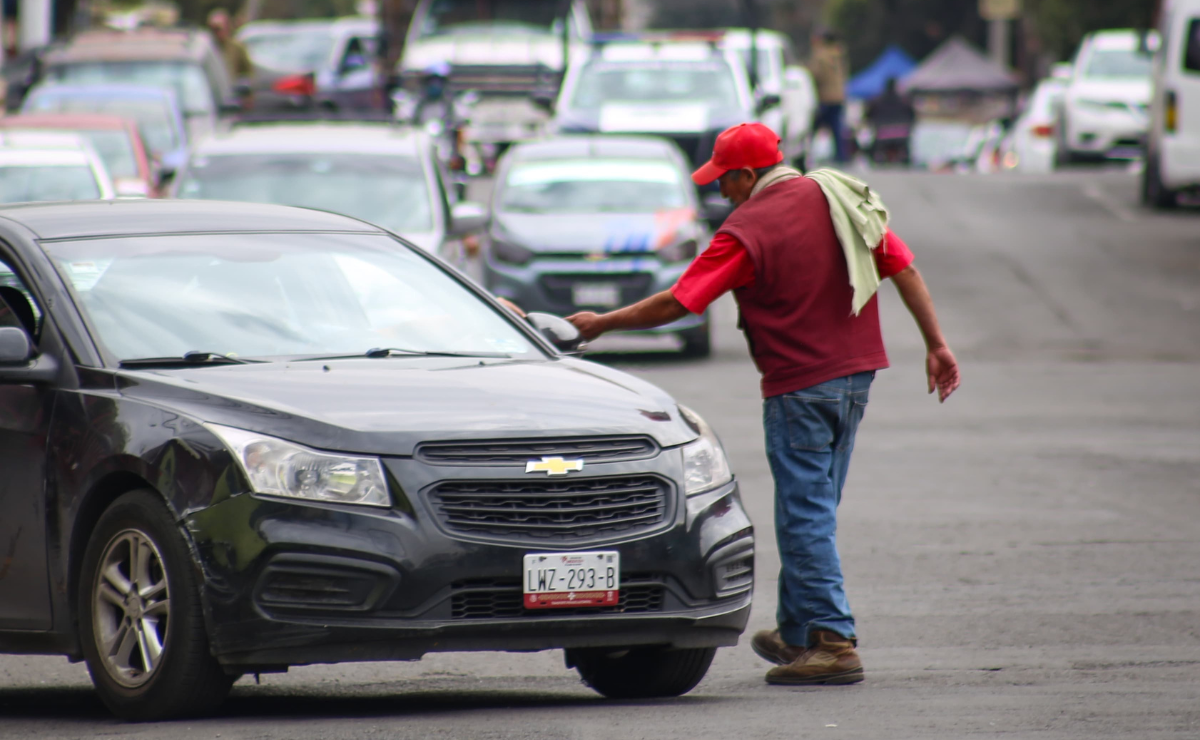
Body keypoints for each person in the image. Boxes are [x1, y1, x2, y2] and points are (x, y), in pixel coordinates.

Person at [567, 122, 960, 686]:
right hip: (855, 378)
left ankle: (833, 641)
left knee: (804, 514)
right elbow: (904, 268)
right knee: (813, 506)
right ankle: (798, 631)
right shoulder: (837, 195)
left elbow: (680, 302)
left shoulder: (746, 229)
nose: (721, 193)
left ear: (748, 175)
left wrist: (602, 324)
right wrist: (936, 345)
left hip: (800, 387)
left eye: (724, 181)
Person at [808, 28, 849, 163]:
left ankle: (807, 154)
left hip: (824, 97)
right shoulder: (839, 54)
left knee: (813, 127)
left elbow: (815, 74)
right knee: (837, 128)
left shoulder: (820, 55)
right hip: (839, 96)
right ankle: (841, 156)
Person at [865, 77, 916, 164]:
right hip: (901, 133)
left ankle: (873, 159)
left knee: (872, 147)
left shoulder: (876, 100)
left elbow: (868, 116)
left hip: (882, 133)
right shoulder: (904, 100)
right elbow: (912, 115)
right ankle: (906, 159)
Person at [207, 9, 254, 90]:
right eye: (212, 29)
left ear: (227, 28)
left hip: (231, 90)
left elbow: (248, 74)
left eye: (218, 29)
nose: (215, 33)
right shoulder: (207, 48)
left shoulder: (237, 48)